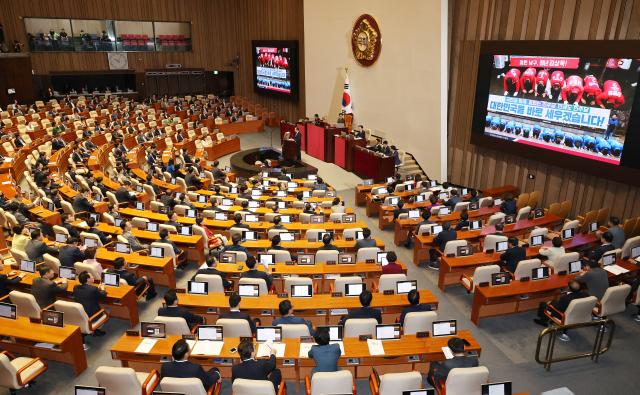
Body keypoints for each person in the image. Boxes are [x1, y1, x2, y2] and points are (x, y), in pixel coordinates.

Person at [72, 271, 107, 336]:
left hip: (80, 314)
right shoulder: (93, 289)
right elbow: (102, 296)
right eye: (91, 276)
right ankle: (96, 329)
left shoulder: (75, 287)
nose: (93, 277)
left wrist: (96, 289)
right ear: (88, 279)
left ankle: (93, 329)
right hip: (92, 316)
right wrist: (102, 289)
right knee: (107, 310)